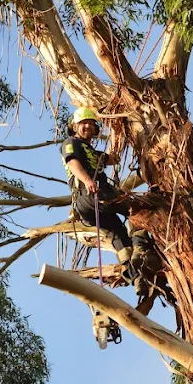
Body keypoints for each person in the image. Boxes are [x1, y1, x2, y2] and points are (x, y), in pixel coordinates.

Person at [60, 107, 139, 277]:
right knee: (137, 208)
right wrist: (88, 180)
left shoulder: (93, 152)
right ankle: (141, 248)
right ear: (74, 126)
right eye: (83, 123)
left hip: (89, 202)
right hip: (91, 193)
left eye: (90, 124)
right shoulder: (70, 143)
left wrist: (118, 138)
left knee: (118, 232)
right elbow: (72, 163)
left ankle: (134, 272)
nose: (87, 127)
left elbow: (112, 158)